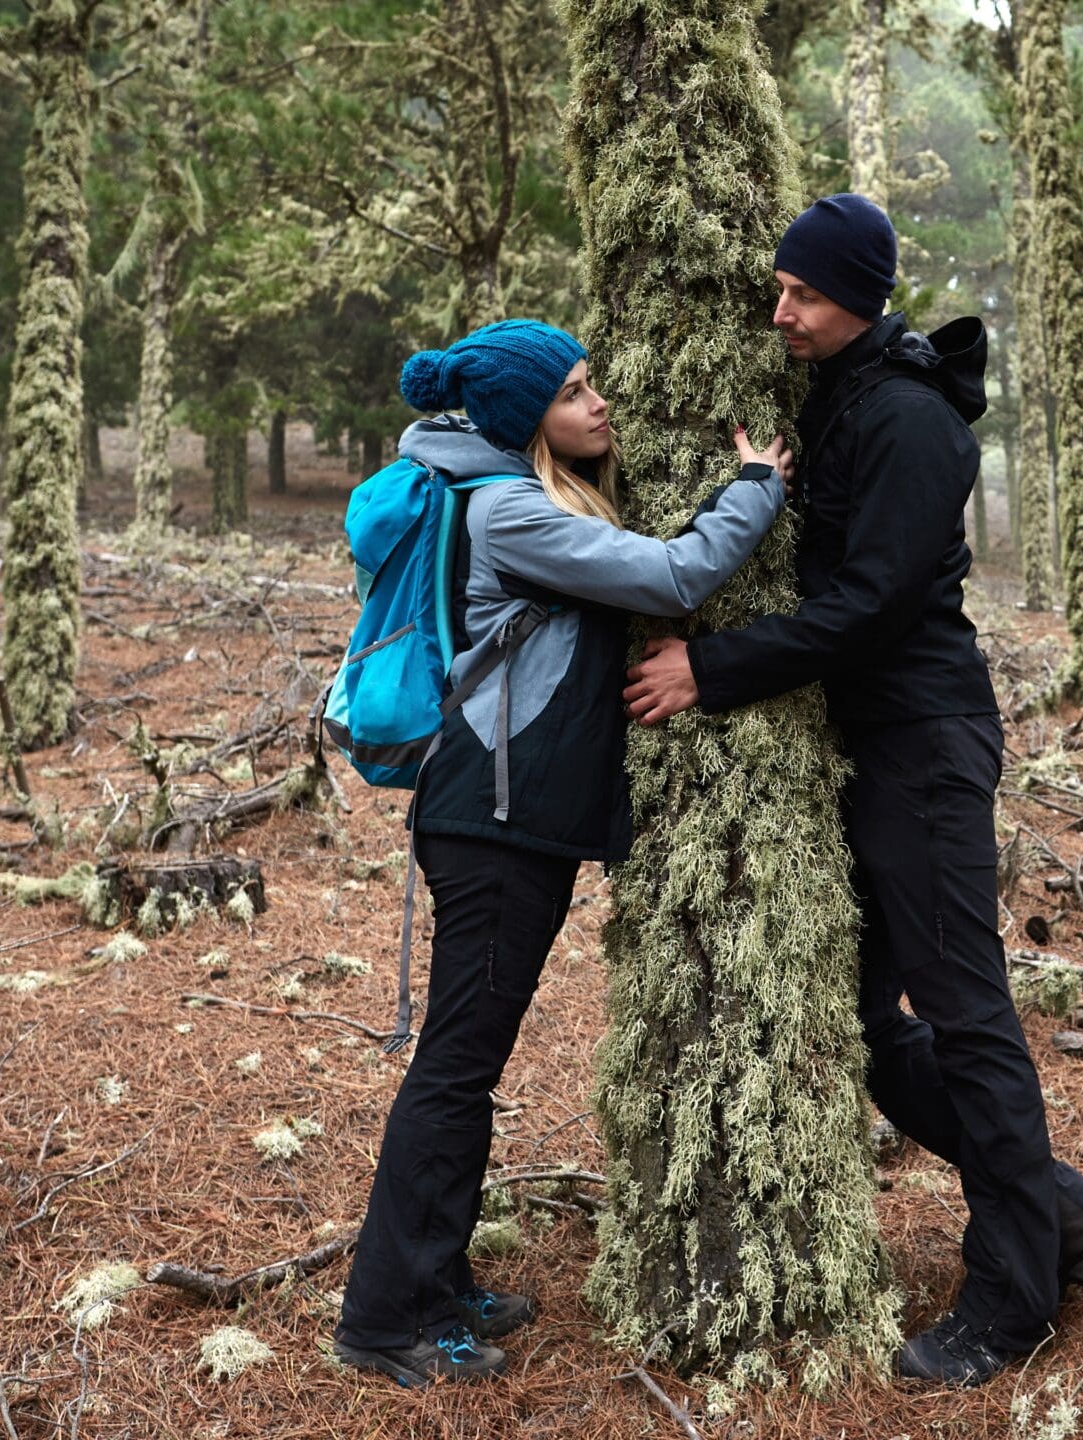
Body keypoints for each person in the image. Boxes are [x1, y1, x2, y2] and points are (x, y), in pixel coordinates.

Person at [621, 194, 1083, 1389]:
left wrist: (710, 665)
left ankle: (1013, 1297)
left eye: (801, 293)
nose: (778, 312)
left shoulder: (908, 421)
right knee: (856, 1019)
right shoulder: (845, 396)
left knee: (965, 1009)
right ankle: (1060, 1214)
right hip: (866, 749)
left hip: (923, 742)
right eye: (779, 288)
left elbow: (873, 606)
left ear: (857, 292)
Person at [332, 319, 791, 1387]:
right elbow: (678, 576)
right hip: (494, 827)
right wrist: (755, 483)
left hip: (502, 819)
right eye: (575, 392)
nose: (600, 404)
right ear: (519, 418)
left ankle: (438, 1285)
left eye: (592, 386)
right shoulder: (507, 512)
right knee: (454, 1069)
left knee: (467, 1067)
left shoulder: (500, 498)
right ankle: (383, 1319)